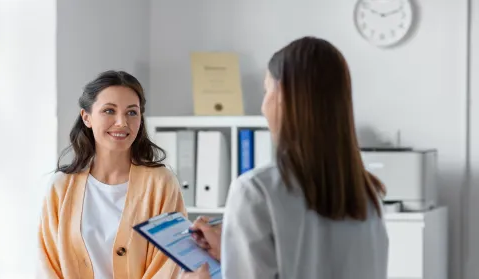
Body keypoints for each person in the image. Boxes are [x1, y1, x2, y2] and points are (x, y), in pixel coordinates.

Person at [181, 36, 389, 279]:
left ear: (284, 95)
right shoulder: (367, 194)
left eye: (266, 90)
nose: (263, 106)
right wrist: (233, 255)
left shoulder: (255, 191)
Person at [38, 70, 186, 279]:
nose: (121, 122)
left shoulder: (161, 183)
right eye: (109, 111)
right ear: (86, 117)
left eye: (132, 112)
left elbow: (167, 264)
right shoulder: (61, 186)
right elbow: (48, 264)